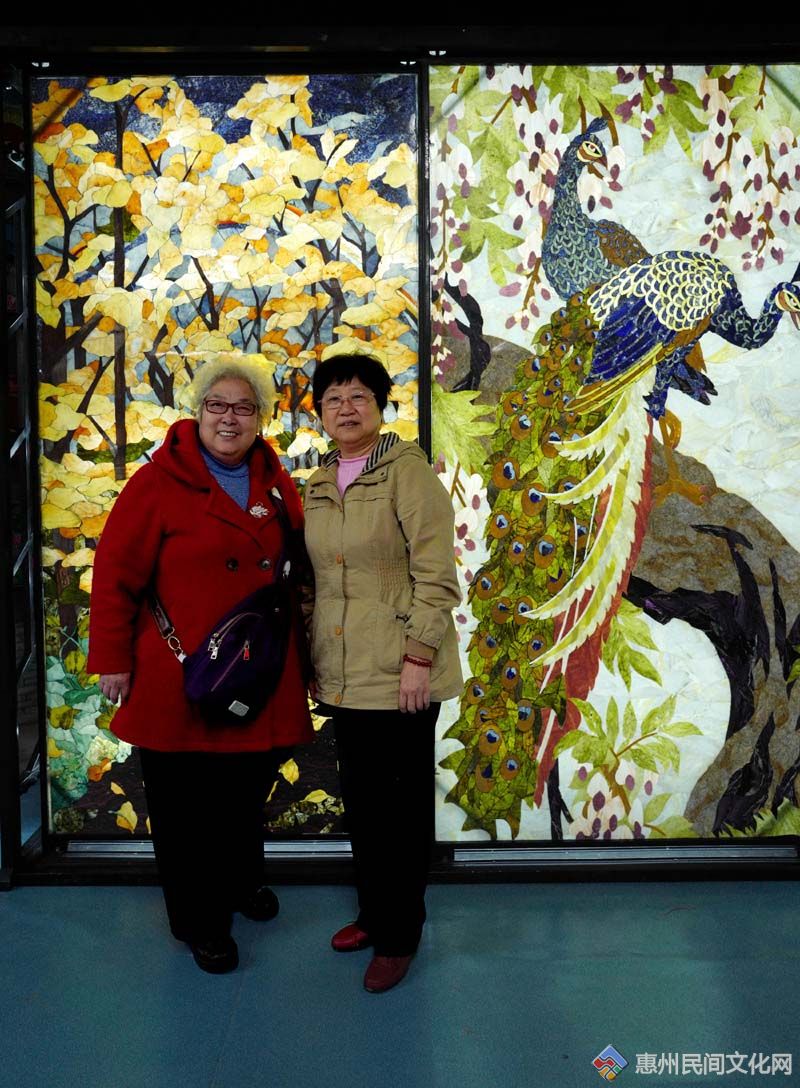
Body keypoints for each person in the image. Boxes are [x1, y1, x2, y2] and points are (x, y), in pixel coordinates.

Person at [88, 358, 313, 974]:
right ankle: (199, 921)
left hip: (258, 671)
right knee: (184, 809)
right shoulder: (155, 483)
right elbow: (114, 576)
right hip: (180, 676)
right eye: (217, 405)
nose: (229, 418)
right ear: (197, 412)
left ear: (261, 418)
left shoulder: (277, 483)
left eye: (243, 407)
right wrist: (111, 660)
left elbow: (295, 573)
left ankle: (238, 881)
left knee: (243, 794)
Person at [303, 353, 462, 993]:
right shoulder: (318, 482)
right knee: (365, 806)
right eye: (333, 398)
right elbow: (318, 583)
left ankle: (400, 936)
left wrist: (419, 658)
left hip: (401, 674)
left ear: (380, 405)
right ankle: (374, 914)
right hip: (343, 672)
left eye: (359, 396)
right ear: (319, 412)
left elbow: (437, 577)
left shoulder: (408, 473)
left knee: (401, 813)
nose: (346, 407)